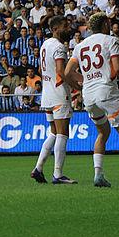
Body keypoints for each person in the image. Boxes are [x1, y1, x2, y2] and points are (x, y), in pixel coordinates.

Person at [64, 12, 119, 188]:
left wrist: (81, 85)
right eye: (108, 23)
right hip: (106, 91)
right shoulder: (111, 40)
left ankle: (98, 175)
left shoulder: (80, 46)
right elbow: (117, 68)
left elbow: (67, 73)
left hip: (89, 95)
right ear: (104, 25)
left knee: (103, 133)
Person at [30, 16, 77, 184]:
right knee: (63, 133)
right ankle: (58, 174)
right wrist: (78, 86)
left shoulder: (45, 44)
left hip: (47, 94)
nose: (69, 28)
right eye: (65, 26)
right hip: (59, 94)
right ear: (56, 28)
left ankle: (38, 168)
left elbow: (44, 71)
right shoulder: (59, 46)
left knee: (54, 132)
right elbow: (61, 71)